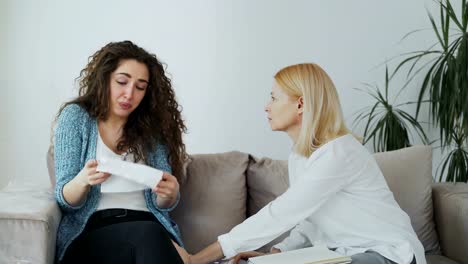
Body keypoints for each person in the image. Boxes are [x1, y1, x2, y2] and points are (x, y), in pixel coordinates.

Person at [174, 63, 425, 264]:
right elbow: (309, 221)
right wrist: (277, 253)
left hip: (388, 255)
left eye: (273, 98)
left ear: (301, 104)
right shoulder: (300, 157)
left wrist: (201, 258)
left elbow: (282, 213)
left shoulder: (339, 152)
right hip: (341, 253)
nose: (266, 106)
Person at [53, 40, 187, 264]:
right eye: (122, 82)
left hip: (149, 227)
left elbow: (161, 203)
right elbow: (65, 200)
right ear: (104, 78)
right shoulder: (76, 118)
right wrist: (83, 180)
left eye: (140, 87)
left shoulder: (152, 130)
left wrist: (169, 194)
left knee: (152, 235)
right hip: (93, 231)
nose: (129, 94)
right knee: (150, 236)